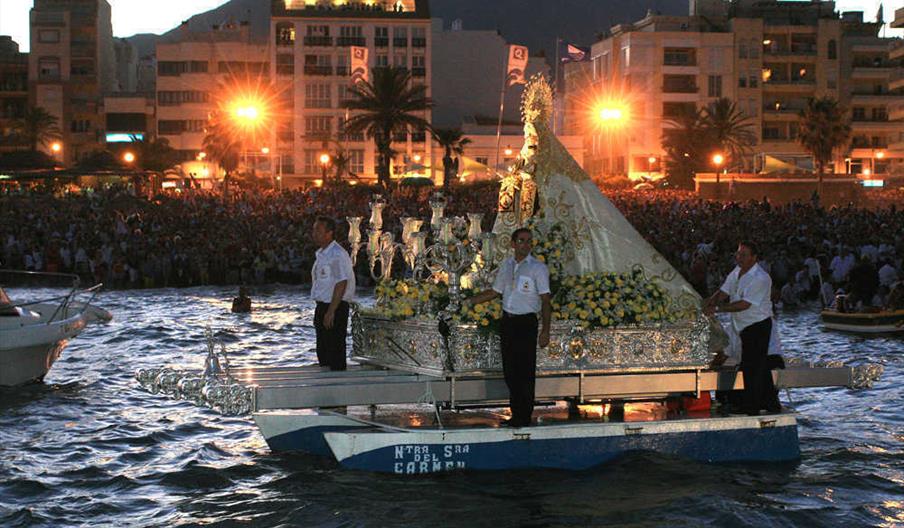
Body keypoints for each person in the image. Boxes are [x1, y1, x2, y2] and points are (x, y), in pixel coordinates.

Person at [467, 228, 551, 427]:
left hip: (526, 323)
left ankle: (524, 416)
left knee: (525, 371)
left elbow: (546, 300)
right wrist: (469, 301)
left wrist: (545, 330)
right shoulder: (506, 265)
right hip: (508, 322)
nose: (526, 244)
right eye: (521, 240)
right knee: (510, 370)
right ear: (513, 244)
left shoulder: (538, 268)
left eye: (529, 241)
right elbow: (495, 291)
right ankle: (516, 413)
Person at [704, 241, 781, 416]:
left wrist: (717, 309)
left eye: (744, 255)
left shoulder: (761, 278)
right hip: (743, 326)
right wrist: (711, 301)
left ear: (754, 258)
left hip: (758, 325)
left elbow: (744, 304)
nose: (739, 258)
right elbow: (724, 291)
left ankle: (751, 406)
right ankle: (771, 403)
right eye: (738, 254)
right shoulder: (736, 272)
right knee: (758, 366)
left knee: (751, 367)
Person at [311, 216, 355, 371]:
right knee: (323, 351)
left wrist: (331, 311)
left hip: (334, 306)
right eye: (314, 229)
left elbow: (341, 282)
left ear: (329, 233)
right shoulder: (323, 253)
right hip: (323, 306)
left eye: (318, 230)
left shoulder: (336, 254)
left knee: (334, 351)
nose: (314, 233)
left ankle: (337, 386)